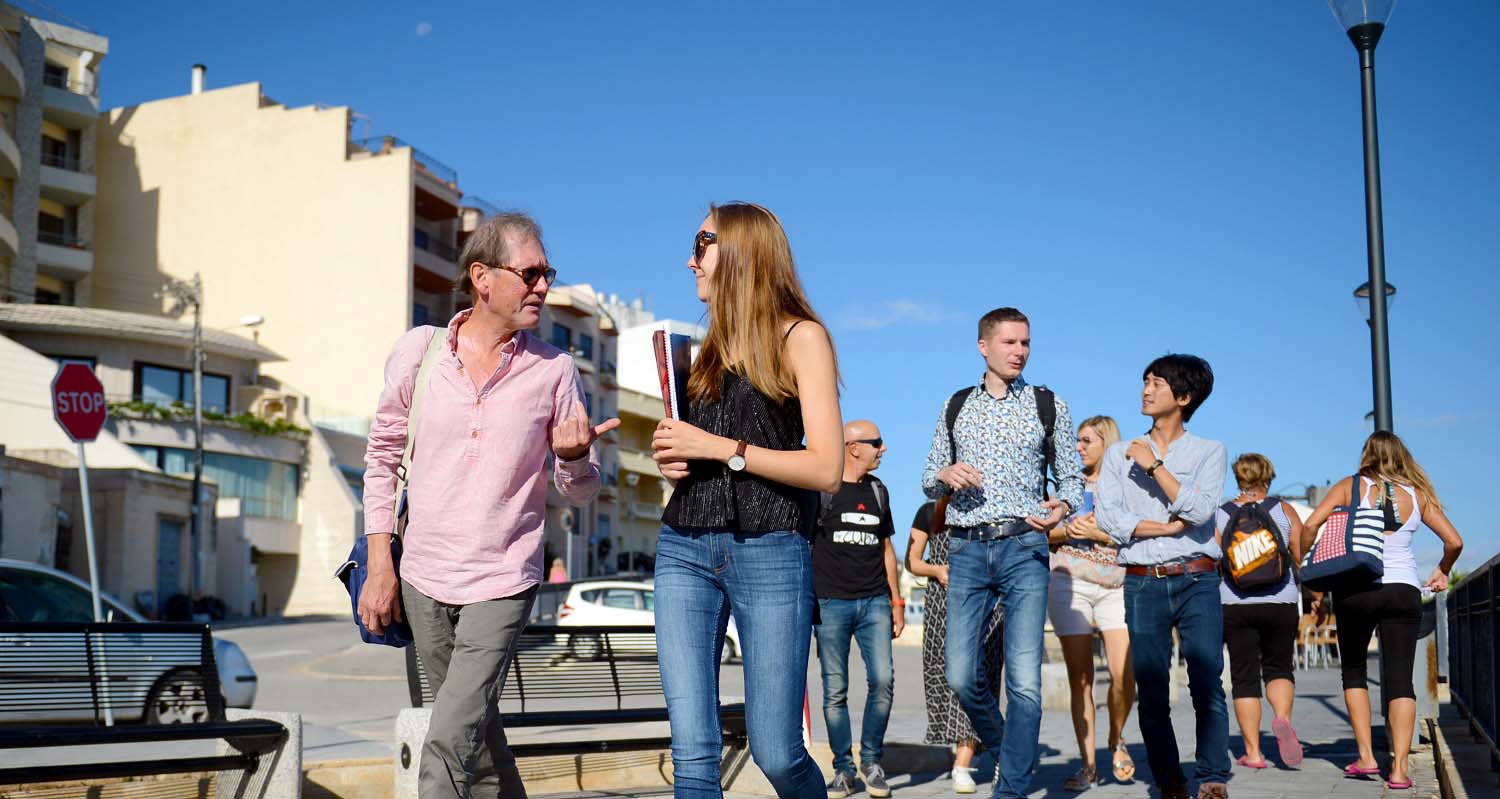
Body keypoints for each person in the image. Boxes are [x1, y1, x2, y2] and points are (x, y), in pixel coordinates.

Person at [359, 212, 616, 799]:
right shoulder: (418, 353)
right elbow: (381, 459)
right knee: (476, 731)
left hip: (502, 580)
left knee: (449, 736)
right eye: (530, 273)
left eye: (546, 273)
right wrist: (381, 566)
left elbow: (579, 489)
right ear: (482, 276)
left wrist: (573, 459)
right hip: (423, 576)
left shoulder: (555, 370)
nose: (543, 287)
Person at [651, 202, 843, 799]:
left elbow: (828, 468)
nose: (690, 259)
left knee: (778, 752)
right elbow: (697, 457)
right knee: (693, 755)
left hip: (772, 552)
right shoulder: (701, 348)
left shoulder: (800, 336)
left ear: (740, 249)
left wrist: (718, 446)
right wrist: (674, 457)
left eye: (702, 243)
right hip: (683, 546)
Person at [920, 307, 1085, 799]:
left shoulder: (1047, 403)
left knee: (1024, 683)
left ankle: (1009, 787)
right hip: (967, 549)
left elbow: (1071, 479)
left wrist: (1062, 505)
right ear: (984, 347)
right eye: (1010, 343)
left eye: (1026, 343)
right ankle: (1010, 749)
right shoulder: (955, 404)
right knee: (960, 673)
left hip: (1025, 547)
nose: (1020, 352)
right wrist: (945, 476)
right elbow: (929, 476)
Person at [1095, 354, 1229, 799]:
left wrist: (1153, 466)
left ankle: (1211, 776)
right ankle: (1170, 781)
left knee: (1207, 679)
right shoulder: (1117, 455)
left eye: (1157, 383)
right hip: (1141, 579)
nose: (1146, 389)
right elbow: (1112, 521)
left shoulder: (1210, 451)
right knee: (1151, 687)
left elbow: (1201, 510)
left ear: (1184, 397)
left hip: (1198, 578)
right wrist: (1168, 526)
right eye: (1145, 381)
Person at [1300, 431, 1463, 790]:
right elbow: (1454, 541)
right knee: (1401, 681)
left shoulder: (1350, 486)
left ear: (1367, 455)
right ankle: (1401, 771)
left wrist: (1309, 574)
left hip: (1355, 589)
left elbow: (1311, 525)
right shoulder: (1417, 495)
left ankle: (1367, 758)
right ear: (1402, 456)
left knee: (1355, 671)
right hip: (1402, 590)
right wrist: (1442, 571)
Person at [811, 420, 904, 798]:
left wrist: (896, 603)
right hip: (830, 603)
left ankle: (871, 761)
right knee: (835, 690)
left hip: (875, 603)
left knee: (883, 680)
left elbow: (886, 550)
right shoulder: (823, 489)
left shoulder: (879, 492)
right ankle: (843, 771)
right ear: (853, 447)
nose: (883, 449)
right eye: (876, 443)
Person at [1046, 415, 1135, 790]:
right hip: (1071, 583)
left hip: (1117, 584)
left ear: (1106, 444)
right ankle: (1088, 766)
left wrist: (1099, 532)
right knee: (1080, 678)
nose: (1078, 447)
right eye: (1076, 441)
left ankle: (1117, 738)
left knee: (1123, 675)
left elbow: (1139, 535)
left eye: (1086, 441)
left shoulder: (1128, 486)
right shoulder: (1062, 485)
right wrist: (1067, 530)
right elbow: (1041, 530)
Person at [906, 500, 1003, 795]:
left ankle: (963, 764)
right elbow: (913, 561)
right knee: (944, 678)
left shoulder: (991, 506)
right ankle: (1002, 747)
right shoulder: (930, 511)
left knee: (977, 677)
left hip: (987, 601)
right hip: (941, 603)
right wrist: (937, 571)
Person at [1215, 454, 1305, 770]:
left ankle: (1253, 753)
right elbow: (1298, 553)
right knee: (1279, 667)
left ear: (1238, 479)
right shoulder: (1284, 510)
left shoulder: (1223, 515)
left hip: (1236, 603)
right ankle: (1281, 718)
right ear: (1268, 477)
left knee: (1244, 677)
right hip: (1280, 600)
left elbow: (1217, 560)